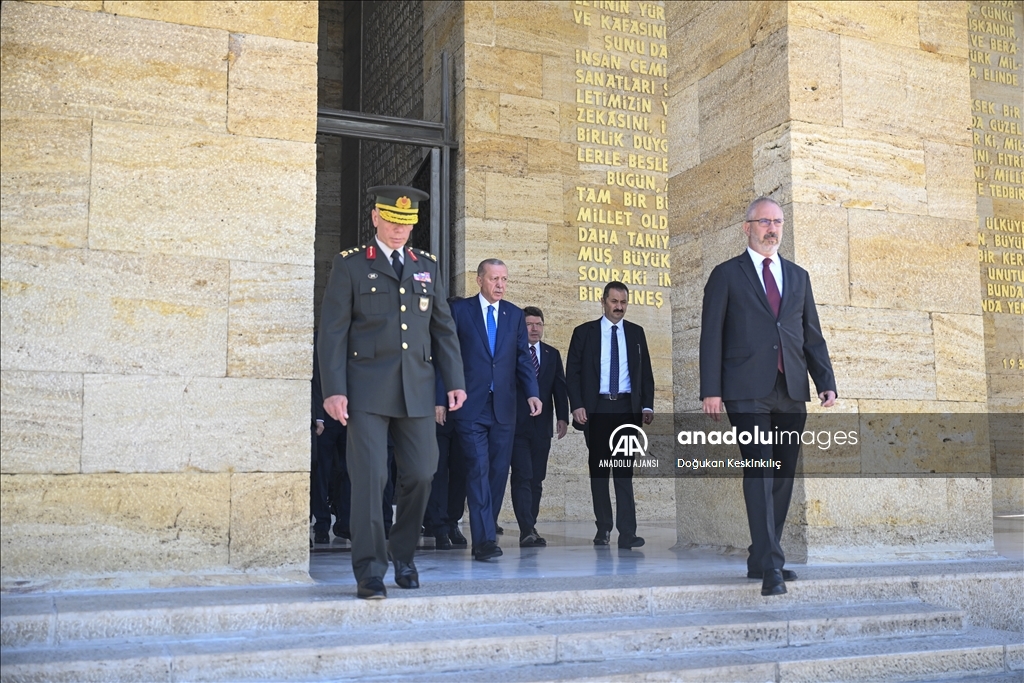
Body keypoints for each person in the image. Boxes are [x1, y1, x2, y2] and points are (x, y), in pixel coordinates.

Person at [318, 185, 466, 600]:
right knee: (370, 478)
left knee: (422, 472)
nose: (401, 231)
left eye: (408, 223)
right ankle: (370, 571)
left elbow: (443, 328)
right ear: (376, 218)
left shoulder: (426, 266)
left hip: (416, 389)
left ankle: (403, 555)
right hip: (365, 390)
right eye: (394, 221)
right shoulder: (350, 265)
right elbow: (333, 332)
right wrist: (333, 390)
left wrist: (454, 380)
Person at [699, 196, 837, 597]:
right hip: (745, 391)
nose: (772, 228)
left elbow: (810, 333)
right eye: (764, 221)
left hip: (791, 390)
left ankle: (761, 554)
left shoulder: (798, 276)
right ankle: (772, 568)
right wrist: (712, 390)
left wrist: (824, 379)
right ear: (747, 227)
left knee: (782, 476)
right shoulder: (726, 274)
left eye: (777, 221)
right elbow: (711, 336)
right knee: (760, 470)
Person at [449, 259, 541, 561]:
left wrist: (532, 393)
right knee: (478, 469)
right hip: (470, 406)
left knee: (498, 473)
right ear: (479, 280)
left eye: (504, 279)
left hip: (504, 407)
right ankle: (485, 540)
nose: (500, 285)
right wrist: (442, 397)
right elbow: (446, 356)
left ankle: (485, 532)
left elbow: (521, 358)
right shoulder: (461, 311)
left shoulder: (515, 315)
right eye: (494, 279)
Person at [565, 282, 654, 550]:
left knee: (624, 472)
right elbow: (573, 373)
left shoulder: (636, 333)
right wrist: (577, 405)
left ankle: (627, 532)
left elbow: (645, 373)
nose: (619, 307)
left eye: (623, 302)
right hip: (598, 409)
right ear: (603, 301)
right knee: (600, 471)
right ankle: (603, 528)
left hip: (627, 409)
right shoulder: (584, 333)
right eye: (614, 301)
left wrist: (647, 405)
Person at [511, 306, 569, 547]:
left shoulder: (552, 354)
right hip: (517, 426)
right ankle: (525, 529)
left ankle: (530, 525)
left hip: (542, 427)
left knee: (536, 479)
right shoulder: (512, 352)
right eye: (529, 324)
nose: (534, 329)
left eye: (538, 324)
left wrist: (563, 417)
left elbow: (559, 387)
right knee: (522, 476)